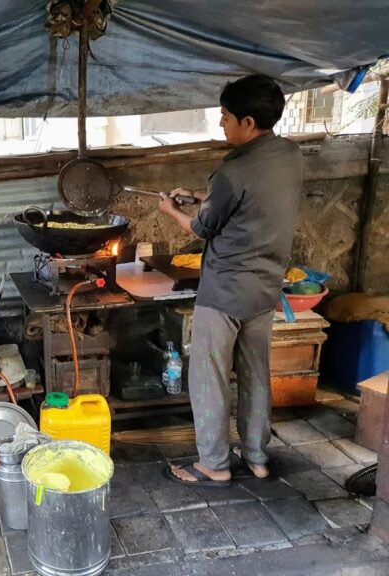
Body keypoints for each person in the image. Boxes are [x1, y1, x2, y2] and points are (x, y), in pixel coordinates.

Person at [158, 75, 303, 486]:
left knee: (209, 376)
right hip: (264, 287)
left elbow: (202, 230)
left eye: (225, 116)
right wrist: (203, 197)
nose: (221, 123)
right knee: (256, 373)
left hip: (223, 292)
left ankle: (214, 464)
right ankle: (257, 457)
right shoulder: (291, 155)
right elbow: (251, 203)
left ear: (249, 121)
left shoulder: (231, 172)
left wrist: (172, 209)